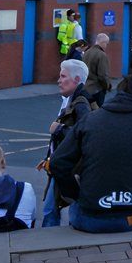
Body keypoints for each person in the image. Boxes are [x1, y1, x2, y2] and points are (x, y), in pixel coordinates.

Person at [50, 74, 132, 233]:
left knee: (76, 209)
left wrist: (76, 193)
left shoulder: (90, 119)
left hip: (90, 218)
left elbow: (57, 162)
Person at [37, 59, 96, 227]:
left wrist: (59, 129)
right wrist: (49, 158)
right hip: (62, 164)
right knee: (53, 207)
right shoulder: (71, 99)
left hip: (70, 167)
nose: (58, 80)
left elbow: (86, 135)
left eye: (63, 76)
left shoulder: (81, 104)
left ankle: (56, 241)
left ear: (77, 80)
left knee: (55, 208)